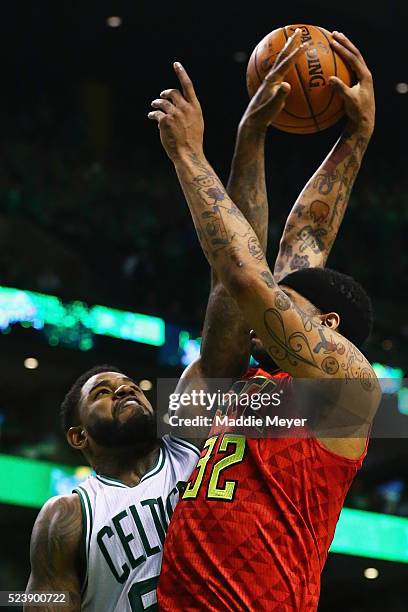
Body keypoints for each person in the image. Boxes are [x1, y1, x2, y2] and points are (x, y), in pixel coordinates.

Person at [24, 28, 309, 612]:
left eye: (127, 383)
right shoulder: (67, 515)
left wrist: (249, 139)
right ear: (78, 437)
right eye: (103, 393)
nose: (125, 389)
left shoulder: (193, 440)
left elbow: (237, 278)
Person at [149, 31, 381, 611]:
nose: (271, 299)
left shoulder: (346, 390)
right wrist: (347, 136)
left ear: (327, 324)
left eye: (289, 300)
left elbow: (248, 275)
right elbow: (302, 236)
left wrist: (188, 156)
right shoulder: (247, 387)